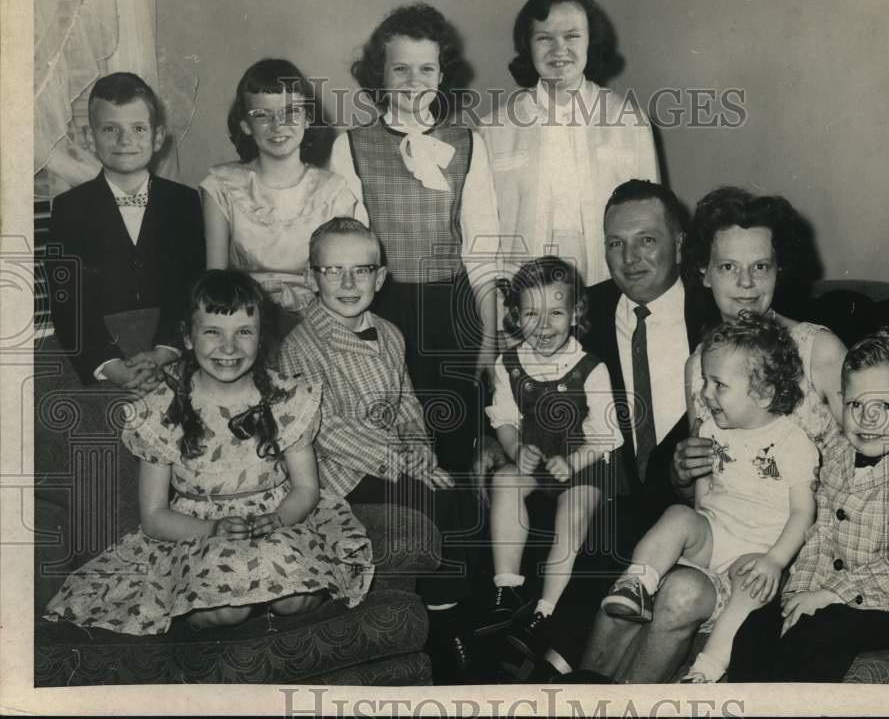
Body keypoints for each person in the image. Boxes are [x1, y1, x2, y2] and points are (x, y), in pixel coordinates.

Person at [576, 185, 848, 683]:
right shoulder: (701, 363)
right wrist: (683, 473)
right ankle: (578, 692)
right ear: (702, 272)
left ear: (778, 270)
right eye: (728, 267)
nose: (745, 284)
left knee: (677, 589)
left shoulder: (818, 350)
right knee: (639, 584)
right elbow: (705, 494)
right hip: (716, 539)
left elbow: (875, 455)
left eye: (760, 267)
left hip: (791, 550)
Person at [43, 269, 373, 634]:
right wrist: (212, 528)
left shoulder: (285, 399)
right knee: (226, 609)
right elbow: (154, 516)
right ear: (188, 336)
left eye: (243, 332)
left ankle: (272, 600)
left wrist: (280, 519)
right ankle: (220, 609)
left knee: (293, 599)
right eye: (213, 332)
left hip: (278, 520)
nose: (228, 347)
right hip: (200, 531)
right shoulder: (161, 409)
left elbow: (306, 489)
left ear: (261, 338)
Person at [507, 179, 705, 681]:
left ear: (680, 243)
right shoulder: (580, 311)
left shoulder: (714, 310)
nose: (630, 257)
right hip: (604, 493)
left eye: (647, 240)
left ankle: (551, 669)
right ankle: (552, 670)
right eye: (615, 243)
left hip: (690, 504)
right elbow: (514, 376)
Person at [277, 217, 480, 683]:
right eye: (333, 271)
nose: (348, 283)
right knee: (430, 500)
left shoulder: (389, 333)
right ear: (312, 278)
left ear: (380, 277)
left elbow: (407, 400)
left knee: (458, 487)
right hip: (341, 472)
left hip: (397, 455)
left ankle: (461, 607)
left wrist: (420, 446)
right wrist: (399, 461)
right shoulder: (300, 347)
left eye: (362, 270)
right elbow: (324, 428)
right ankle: (447, 624)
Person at [728, 327, 889, 682]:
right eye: (855, 404)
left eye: (883, 405)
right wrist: (800, 593)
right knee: (756, 627)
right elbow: (820, 534)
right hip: (829, 592)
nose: (867, 418)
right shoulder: (837, 457)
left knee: (823, 632)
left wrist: (827, 596)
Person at [600, 313, 818, 683]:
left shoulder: (793, 442)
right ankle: (638, 581)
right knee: (677, 515)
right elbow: (703, 497)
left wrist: (775, 561)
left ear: (764, 393)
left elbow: (802, 513)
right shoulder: (712, 429)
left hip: (755, 553)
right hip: (714, 536)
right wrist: (691, 529)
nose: (705, 394)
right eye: (705, 381)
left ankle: (707, 669)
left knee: (751, 585)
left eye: (718, 385)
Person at [330, 3, 500, 474]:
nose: (412, 80)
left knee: (458, 441)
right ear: (379, 74)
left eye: (426, 68)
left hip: (452, 312)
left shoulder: (468, 143)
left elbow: (482, 251)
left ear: (443, 74)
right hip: (383, 310)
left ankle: (463, 544)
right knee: (396, 442)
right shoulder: (351, 145)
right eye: (400, 68)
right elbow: (348, 255)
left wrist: (489, 337)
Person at [472, 257, 623, 664]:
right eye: (531, 313)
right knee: (504, 481)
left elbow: (608, 434)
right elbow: (503, 418)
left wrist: (573, 464)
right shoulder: (509, 365)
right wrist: (516, 448)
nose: (544, 325)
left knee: (572, 512)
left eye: (555, 312)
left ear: (574, 314)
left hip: (587, 463)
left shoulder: (590, 368)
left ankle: (545, 610)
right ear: (516, 316)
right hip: (535, 459)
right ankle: (506, 588)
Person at [481, 0, 659, 287]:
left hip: (609, 287)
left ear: (591, 41)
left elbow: (654, 222)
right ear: (528, 46)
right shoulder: (492, 130)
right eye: (544, 38)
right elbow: (482, 232)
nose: (558, 49)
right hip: (524, 295)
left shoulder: (630, 121)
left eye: (572, 36)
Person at [46, 72, 205, 389]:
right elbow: (67, 301)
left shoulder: (184, 202)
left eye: (138, 128)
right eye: (109, 129)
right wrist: (109, 365)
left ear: (157, 137)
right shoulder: (68, 209)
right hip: (101, 353)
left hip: (171, 346)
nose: (124, 140)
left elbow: (193, 285)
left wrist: (165, 350)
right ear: (89, 138)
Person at [200, 59, 364, 335]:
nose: (278, 125)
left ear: (309, 118)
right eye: (262, 114)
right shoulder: (222, 186)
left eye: (291, 112)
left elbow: (340, 281)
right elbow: (215, 281)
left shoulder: (334, 191)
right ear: (245, 125)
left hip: (320, 323)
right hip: (244, 321)